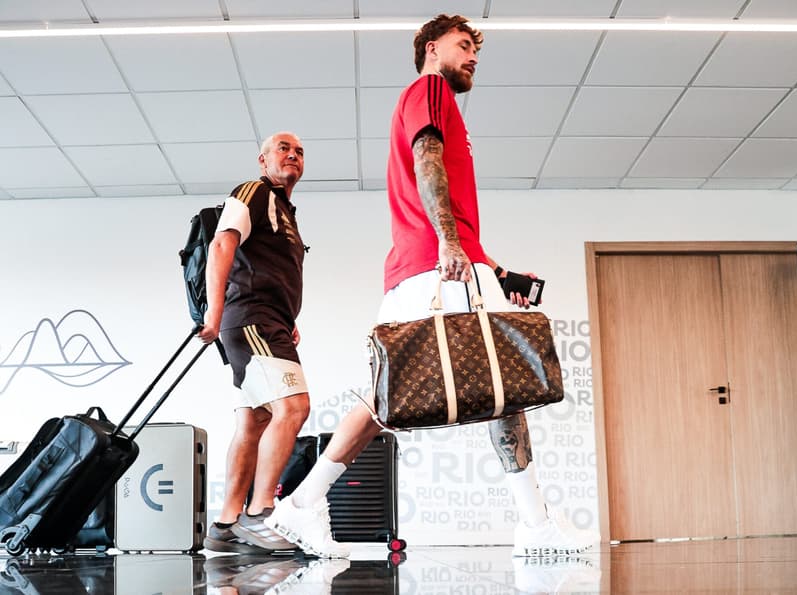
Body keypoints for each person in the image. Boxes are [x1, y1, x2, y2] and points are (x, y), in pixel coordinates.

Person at [265, 14, 600, 558]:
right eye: (463, 45)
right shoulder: (429, 90)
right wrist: (449, 243)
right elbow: (427, 158)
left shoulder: (439, 99)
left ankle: (303, 504)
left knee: (396, 394)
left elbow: (453, 207)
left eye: (475, 50)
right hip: (433, 264)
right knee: (495, 388)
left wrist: (497, 272)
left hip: (435, 263)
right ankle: (535, 525)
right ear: (430, 47)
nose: (472, 56)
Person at [198, 131, 310, 554]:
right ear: (263, 161)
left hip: (269, 321)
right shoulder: (253, 190)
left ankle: (225, 525)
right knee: (294, 407)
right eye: (283, 148)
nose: (293, 155)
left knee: (255, 420)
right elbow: (222, 243)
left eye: (299, 151)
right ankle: (261, 514)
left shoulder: (286, 212)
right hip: (252, 320)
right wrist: (214, 311)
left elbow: (269, 268)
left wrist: (288, 318)